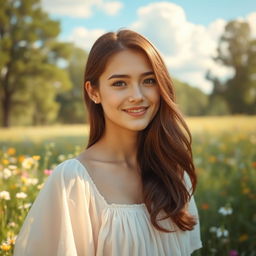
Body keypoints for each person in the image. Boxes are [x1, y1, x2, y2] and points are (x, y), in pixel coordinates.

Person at [14, 29, 202, 256]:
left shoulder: (174, 172)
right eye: (120, 83)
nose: (137, 95)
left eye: (149, 80)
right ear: (93, 92)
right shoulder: (74, 181)